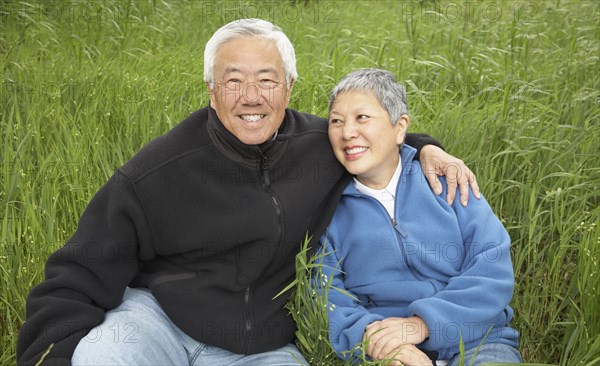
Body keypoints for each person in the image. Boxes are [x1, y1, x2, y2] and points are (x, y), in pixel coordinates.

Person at [17, 20, 479, 365]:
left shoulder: (321, 147)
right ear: (212, 91)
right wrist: (52, 354)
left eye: (267, 80)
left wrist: (427, 148)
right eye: (233, 80)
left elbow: (374, 139)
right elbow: (75, 274)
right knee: (102, 357)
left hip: (260, 348)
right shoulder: (157, 171)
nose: (251, 96)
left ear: (290, 87)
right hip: (156, 322)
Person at [318, 68, 521, 366]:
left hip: (476, 340)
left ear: (400, 128)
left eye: (362, 118)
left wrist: (422, 324)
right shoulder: (328, 207)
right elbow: (325, 293)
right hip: (386, 347)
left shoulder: (447, 182)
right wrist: (373, 340)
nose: (347, 132)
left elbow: (492, 269)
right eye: (337, 121)